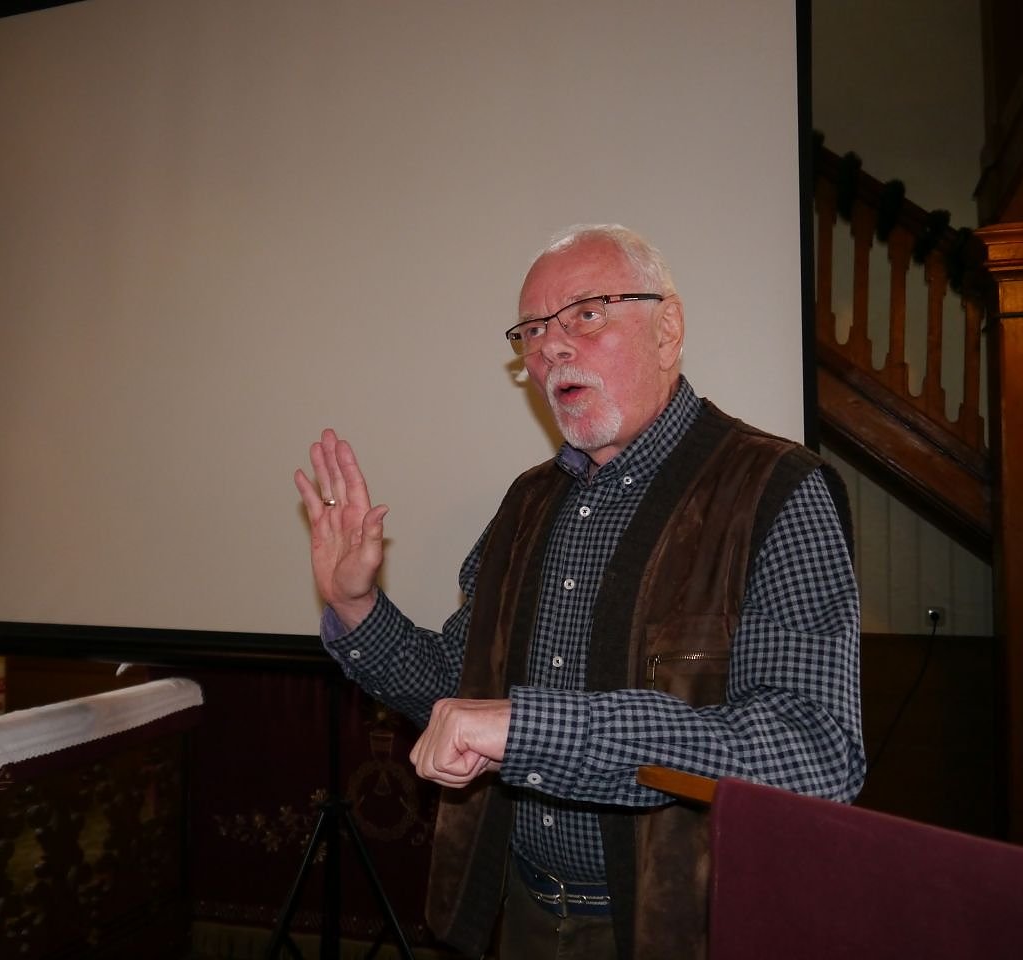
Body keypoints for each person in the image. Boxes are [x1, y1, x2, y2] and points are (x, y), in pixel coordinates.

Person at [294, 224, 864, 960]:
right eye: (533, 331)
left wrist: (533, 730)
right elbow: (458, 689)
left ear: (667, 329)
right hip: (526, 912)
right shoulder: (527, 503)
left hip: (681, 931)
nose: (552, 348)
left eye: (586, 315)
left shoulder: (778, 490)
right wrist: (355, 606)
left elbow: (813, 754)